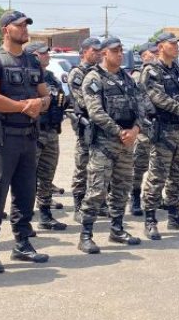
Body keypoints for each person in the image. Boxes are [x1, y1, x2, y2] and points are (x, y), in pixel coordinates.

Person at [0, 11, 51, 272]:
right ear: (6, 30)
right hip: (2, 137)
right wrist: (23, 106)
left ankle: (22, 243)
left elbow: (46, 96)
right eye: (20, 26)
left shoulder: (31, 60)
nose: (25, 30)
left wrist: (39, 103)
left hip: (28, 137)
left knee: (26, 192)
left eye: (26, 25)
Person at [77, 36, 142, 254]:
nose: (120, 54)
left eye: (121, 50)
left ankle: (117, 229)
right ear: (104, 53)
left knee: (122, 188)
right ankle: (86, 235)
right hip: (105, 143)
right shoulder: (94, 78)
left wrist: (135, 130)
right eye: (115, 51)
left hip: (126, 143)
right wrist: (119, 131)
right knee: (96, 191)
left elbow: (141, 108)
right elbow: (95, 112)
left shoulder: (127, 78)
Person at [139, 31, 179, 239]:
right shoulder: (151, 70)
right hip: (163, 129)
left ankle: (174, 216)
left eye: (176, 43)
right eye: (172, 43)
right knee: (157, 175)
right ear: (161, 46)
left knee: (177, 175)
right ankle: (150, 219)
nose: (176, 46)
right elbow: (158, 98)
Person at [27, 41, 68, 231]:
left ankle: (45, 213)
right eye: (42, 53)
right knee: (27, 176)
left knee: (47, 174)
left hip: (51, 131)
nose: (47, 55)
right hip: (33, 132)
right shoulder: (27, 77)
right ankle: (24, 218)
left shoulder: (50, 77)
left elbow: (61, 100)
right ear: (33, 56)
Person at [67, 37, 102, 221]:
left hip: (101, 125)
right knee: (82, 166)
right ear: (85, 51)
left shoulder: (99, 72)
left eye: (99, 51)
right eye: (94, 51)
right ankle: (78, 205)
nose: (98, 53)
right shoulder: (77, 74)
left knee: (98, 167)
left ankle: (97, 203)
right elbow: (83, 101)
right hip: (86, 126)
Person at [130, 43, 157, 216]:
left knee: (157, 167)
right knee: (138, 167)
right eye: (151, 53)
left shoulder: (158, 73)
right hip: (143, 128)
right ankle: (135, 198)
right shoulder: (137, 76)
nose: (155, 55)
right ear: (143, 56)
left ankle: (154, 198)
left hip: (159, 128)